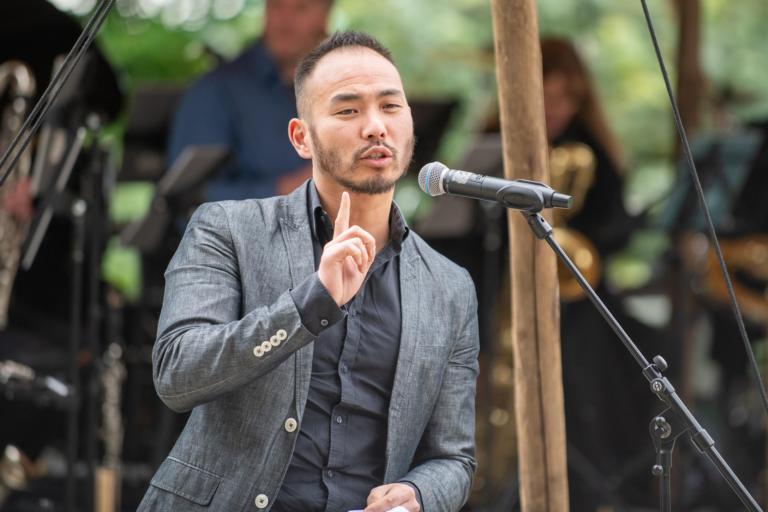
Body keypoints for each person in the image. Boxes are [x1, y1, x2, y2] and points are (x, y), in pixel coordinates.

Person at [139, 31, 479, 512]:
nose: (375, 127)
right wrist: (310, 303)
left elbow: (453, 458)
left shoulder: (450, 286)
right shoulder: (228, 228)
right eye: (348, 110)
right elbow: (178, 374)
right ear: (301, 137)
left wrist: (419, 495)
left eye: (390, 106)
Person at [166, 0, 333, 201]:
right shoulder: (216, 90)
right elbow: (186, 200)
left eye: (301, 8)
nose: (285, 20)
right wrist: (289, 191)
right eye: (276, 6)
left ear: (324, 17)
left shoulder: (339, 87)